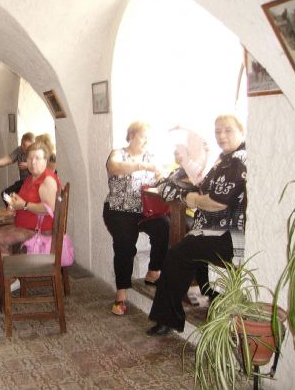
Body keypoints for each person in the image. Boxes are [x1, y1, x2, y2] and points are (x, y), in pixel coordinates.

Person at [147, 114, 246, 336]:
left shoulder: (239, 161)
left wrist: (190, 199)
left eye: (228, 130)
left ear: (242, 131)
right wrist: (192, 193)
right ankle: (211, 297)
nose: (222, 135)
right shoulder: (224, 159)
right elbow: (203, 187)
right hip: (212, 230)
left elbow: (216, 204)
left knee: (177, 255)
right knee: (190, 248)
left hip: (229, 234)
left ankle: (168, 319)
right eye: (218, 131)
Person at [103, 121, 169, 316]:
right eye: (143, 136)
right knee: (125, 245)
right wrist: (143, 166)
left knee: (165, 226)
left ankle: (153, 271)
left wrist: (161, 175)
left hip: (145, 211)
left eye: (149, 137)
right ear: (131, 136)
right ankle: (121, 293)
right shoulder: (118, 153)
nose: (146, 140)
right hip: (118, 210)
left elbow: (160, 179)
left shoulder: (152, 157)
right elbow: (114, 167)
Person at [0, 141, 60, 256]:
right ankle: (12, 269)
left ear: (45, 161)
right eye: (30, 158)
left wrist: (24, 205)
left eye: (37, 158)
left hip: (40, 232)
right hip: (26, 226)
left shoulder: (47, 180)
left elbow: (49, 209)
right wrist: (14, 205)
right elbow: (23, 200)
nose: (33, 162)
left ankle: (9, 272)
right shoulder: (31, 178)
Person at [0, 132, 35, 197]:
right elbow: (9, 158)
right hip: (23, 183)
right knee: (6, 194)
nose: (21, 146)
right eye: (21, 143)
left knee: (23, 198)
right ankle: (11, 207)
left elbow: (42, 169)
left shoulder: (36, 153)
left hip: (33, 184)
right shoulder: (19, 150)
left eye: (24, 145)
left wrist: (28, 166)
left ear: (32, 145)